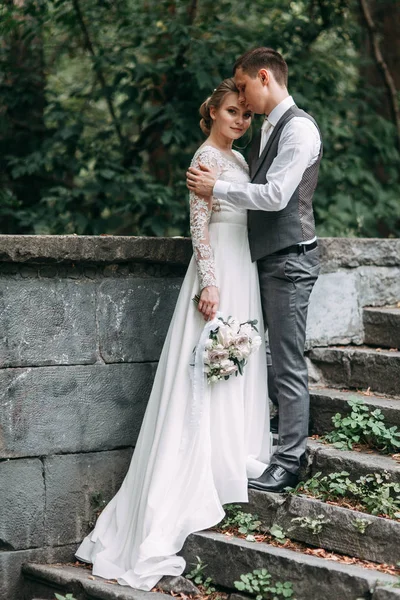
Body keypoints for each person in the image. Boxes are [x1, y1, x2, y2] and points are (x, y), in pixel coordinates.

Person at [75, 78, 271, 591]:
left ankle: (233, 448)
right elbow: (198, 226)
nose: (241, 120)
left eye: (247, 114)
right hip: (219, 272)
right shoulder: (204, 158)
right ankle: (190, 472)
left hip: (243, 266)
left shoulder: (242, 161)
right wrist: (209, 282)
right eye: (233, 111)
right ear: (212, 112)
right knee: (204, 366)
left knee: (239, 357)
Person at [187, 47, 322, 494]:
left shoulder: (298, 129)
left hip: (290, 259)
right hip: (261, 261)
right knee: (268, 359)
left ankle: (289, 461)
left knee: (286, 361)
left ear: (264, 77)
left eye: (243, 87)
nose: (242, 101)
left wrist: (218, 186)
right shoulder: (266, 131)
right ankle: (264, 449)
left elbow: (277, 195)